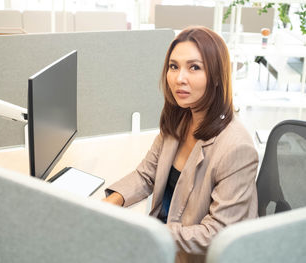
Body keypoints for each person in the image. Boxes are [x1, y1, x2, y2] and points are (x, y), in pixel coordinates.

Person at [103, 26, 258, 263]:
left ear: (217, 76)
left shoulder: (236, 148)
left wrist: (146, 233)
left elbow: (215, 234)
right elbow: (146, 175)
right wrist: (107, 206)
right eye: (173, 66)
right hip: (168, 240)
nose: (179, 78)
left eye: (194, 67)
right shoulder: (180, 119)